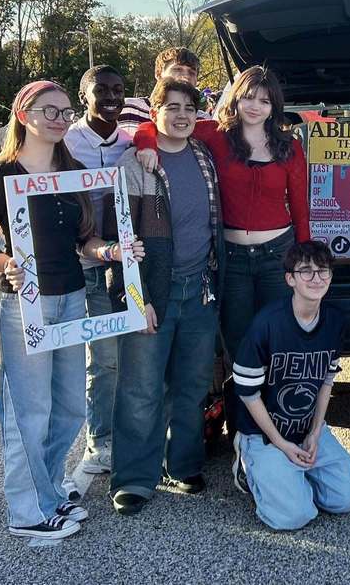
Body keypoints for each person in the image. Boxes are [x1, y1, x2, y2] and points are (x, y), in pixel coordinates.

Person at [0, 80, 144, 540]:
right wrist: (7, 265)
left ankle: (47, 492)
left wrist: (114, 252)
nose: (60, 119)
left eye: (65, 112)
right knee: (27, 410)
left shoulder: (74, 170)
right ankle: (27, 512)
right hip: (21, 304)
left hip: (70, 297)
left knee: (67, 406)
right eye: (49, 110)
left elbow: (85, 241)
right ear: (23, 114)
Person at [133, 65, 309, 360]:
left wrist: (304, 259)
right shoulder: (214, 134)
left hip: (278, 256)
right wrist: (146, 145)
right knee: (238, 341)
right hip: (232, 258)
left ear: (274, 107)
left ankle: (276, 391)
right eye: (248, 97)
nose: (255, 106)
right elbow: (154, 125)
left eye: (264, 101)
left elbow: (301, 209)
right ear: (236, 98)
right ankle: (243, 391)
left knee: (279, 337)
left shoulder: (289, 146)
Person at [110, 77, 225, 515]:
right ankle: (134, 479)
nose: (181, 115)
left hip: (200, 289)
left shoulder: (203, 156)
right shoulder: (133, 164)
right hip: (153, 292)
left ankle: (183, 464)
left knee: (192, 384)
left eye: (189, 108)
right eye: (171, 107)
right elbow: (119, 240)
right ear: (154, 111)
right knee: (141, 388)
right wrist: (136, 298)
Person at [231, 241, 350, 530]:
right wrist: (281, 444)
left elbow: (326, 381)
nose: (316, 278)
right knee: (294, 516)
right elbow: (248, 395)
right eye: (306, 271)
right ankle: (250, 465)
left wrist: (315, 432)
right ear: (290, 278)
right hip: (265, 434)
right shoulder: (266, 324)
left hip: (304, 428)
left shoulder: (335, 321)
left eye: (323, 271)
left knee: (345, 499)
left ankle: (291, 477)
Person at [64, 64, 129, 476]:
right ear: (84, 96)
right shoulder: (65, 143)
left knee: (127, 355)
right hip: (83, 266)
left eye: (118, 90)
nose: (111, 97)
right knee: (102, 359)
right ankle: (100, 439)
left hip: (125, 266)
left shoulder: (131, 142)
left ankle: (125, 432)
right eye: (101, 90)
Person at [118, 46, 202, 132]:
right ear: (158, 74)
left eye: (192, 72)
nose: (186, 76)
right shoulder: (129, 109)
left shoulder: (202, 120)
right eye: (178, 69)